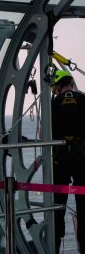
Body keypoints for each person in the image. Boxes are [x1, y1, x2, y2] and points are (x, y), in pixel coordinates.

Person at [51, 69, 85, 253]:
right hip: (82, 160)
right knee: (83, 205)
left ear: (57, 86)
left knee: (58, 206)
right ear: (71, 82)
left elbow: (43, 134)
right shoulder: (83, 99)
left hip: (60, 160)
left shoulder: (54, 103)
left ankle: (54, 244)